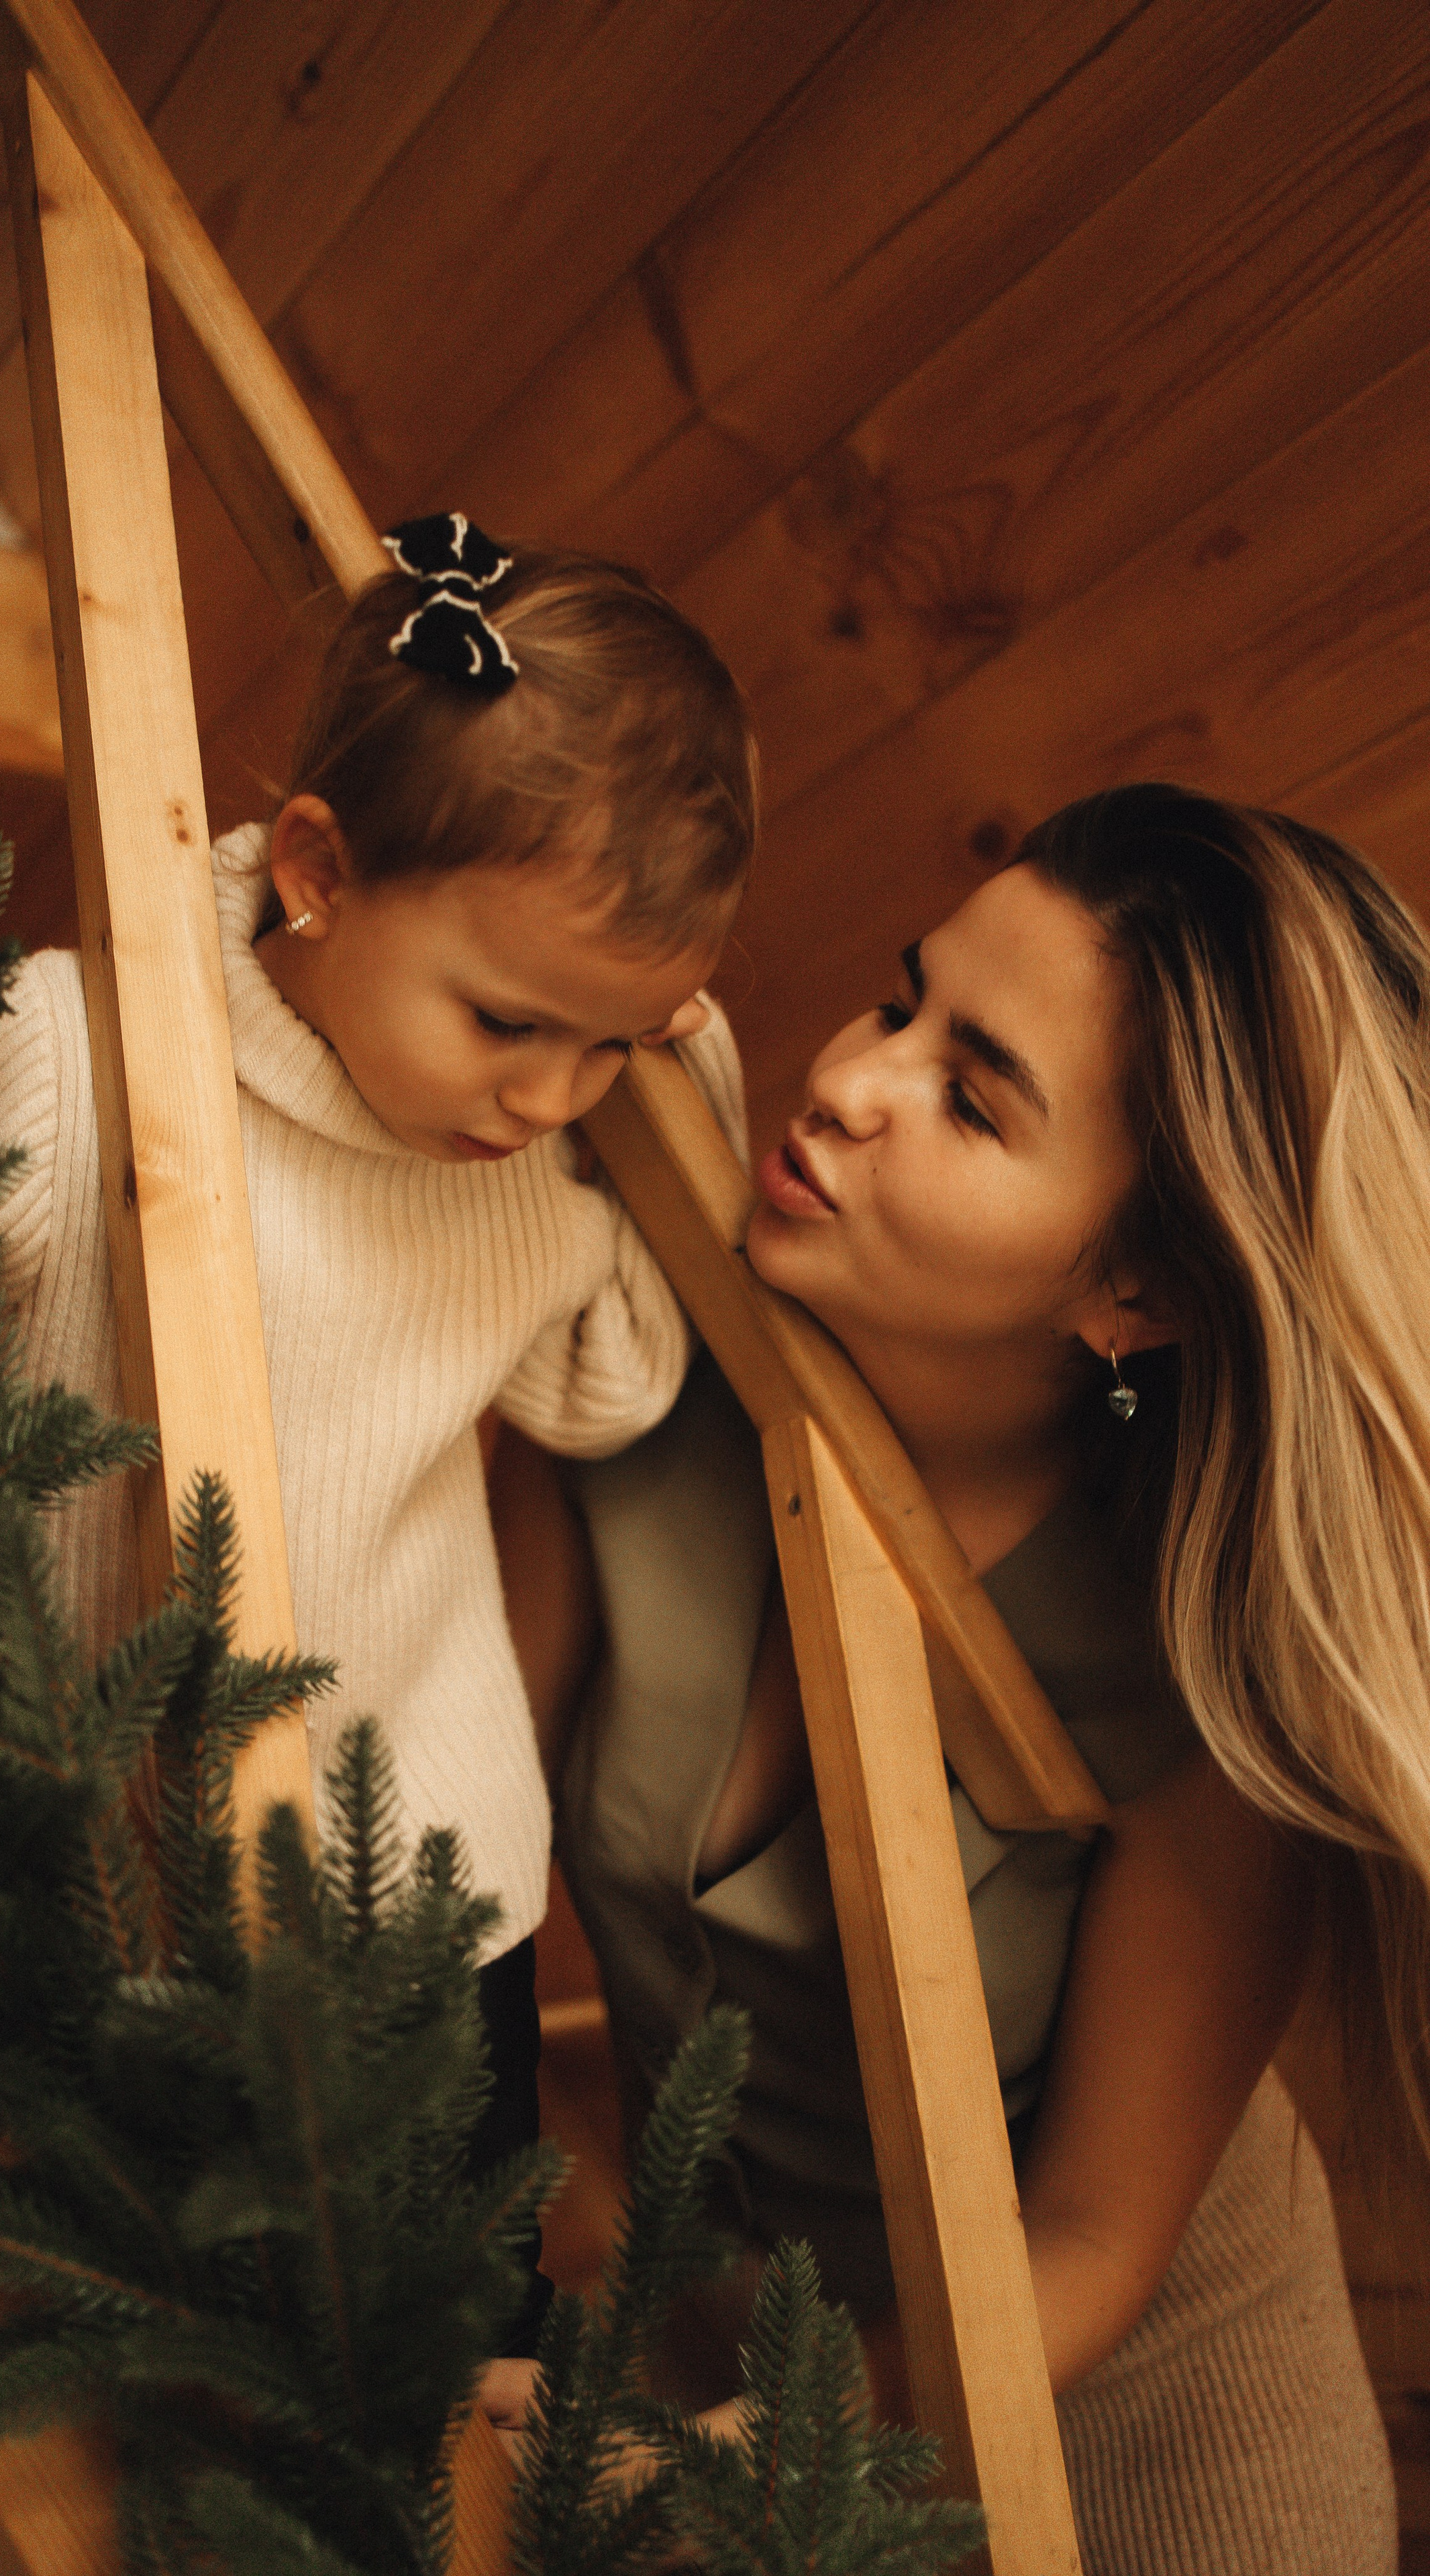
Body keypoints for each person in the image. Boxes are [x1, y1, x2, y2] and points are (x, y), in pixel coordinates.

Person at [521, 783, 1419, 2563]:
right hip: (715, 2367)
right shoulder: (620, 1385)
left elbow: (1086, 2240)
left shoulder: (1206, 1686)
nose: (852, 1080)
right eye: (900, 1000)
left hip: (1129, 2441)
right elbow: (435, 1850)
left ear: (1136, 1292)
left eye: (972, 1098)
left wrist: (721, 2469)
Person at [0, 513, 755, 2355]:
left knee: (448, 2318)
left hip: (428, 1859)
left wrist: (684, 1081)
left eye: (615, 1045)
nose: (548, 1093)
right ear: (314, 871)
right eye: (511, 1020)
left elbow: (612, 1385)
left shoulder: (524, 1170)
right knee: (129, 2306)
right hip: (91, 1826)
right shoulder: (69, 1054)